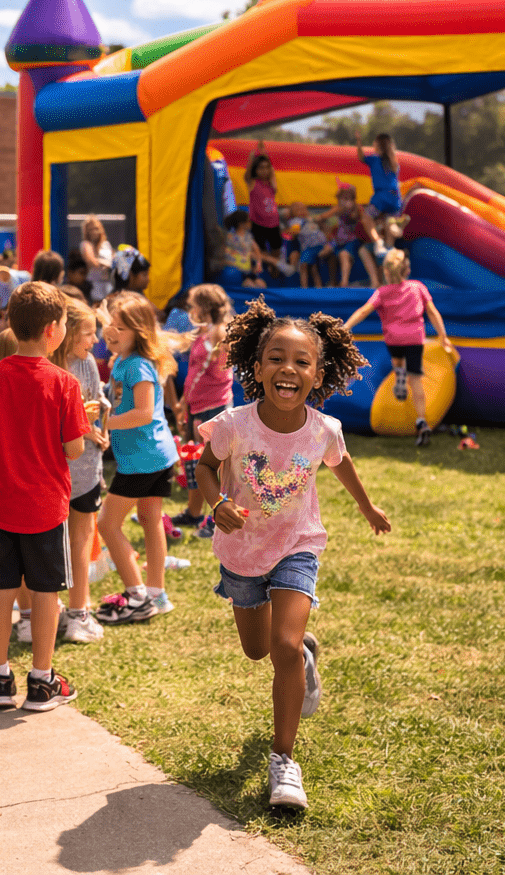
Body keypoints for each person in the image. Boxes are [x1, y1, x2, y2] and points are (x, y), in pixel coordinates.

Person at [195, 299, 390, 809]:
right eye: (277, 359)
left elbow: (341, 463)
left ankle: (284, 762)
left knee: (281, 645)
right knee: (258, 650)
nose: (289, 369)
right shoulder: (234, 424)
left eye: (302, 361)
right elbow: (205, 467)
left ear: (318, 375)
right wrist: (217, 503)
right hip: (242, 551)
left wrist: (367, 507)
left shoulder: (324, 429)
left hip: (296, 545)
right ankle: (304, 653)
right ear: (257, 369)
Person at [0, 281, 88, 711]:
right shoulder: (65, 383)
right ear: (53, 330)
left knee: (0, 590)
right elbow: (74, 448)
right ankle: (42, 680)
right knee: (45, 592)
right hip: (45, 508)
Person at [94, 292, 180, 625]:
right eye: (111, 326)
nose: (112, 332)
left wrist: (104, 423)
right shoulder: (123, 360)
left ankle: (137, 596)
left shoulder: (138, 366)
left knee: (106, 524)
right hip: (154, 454)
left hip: (144, 458)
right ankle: (157, 594)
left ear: (140, 332)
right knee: (150, 520)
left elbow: (143, 413)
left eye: (121, 328)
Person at [344, 249, 453, 447]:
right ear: (407, 270)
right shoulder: (417, 287)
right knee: (416, 380)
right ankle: (421, 422)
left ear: (386, 272)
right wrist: (443, 337)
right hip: (414, 339)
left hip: (394, 339)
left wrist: (346, 327)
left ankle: (399, 372)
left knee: (397, 360)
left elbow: (363, 311)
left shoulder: (382, 292)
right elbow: (433, 313)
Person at [50, 298, 108, 643]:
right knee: (52, 542)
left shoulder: (86, 363)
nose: (95, 340)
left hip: (85, 467)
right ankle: (51, 609)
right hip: (55, 468)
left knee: (83, 537)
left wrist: (100, 423)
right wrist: (82, 422)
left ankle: (78, 610)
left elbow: (98, 400)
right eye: (88, 333)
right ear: (68, 332)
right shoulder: (48, 367)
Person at [171, 284, 234, 533]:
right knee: (195, 463)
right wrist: (183, 401)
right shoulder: (204, 331)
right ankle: (194, 513)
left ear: (204, 307)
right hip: (197, 405)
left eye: (193, 305)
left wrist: (217, 351)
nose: (190, 309)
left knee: (213, 466)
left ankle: (219, 518)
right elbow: (193, 367)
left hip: (213, 408)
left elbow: (220, 372)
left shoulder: (219, 333)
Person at [317, 182, 380, 289]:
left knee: (344, 254)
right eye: (343, 198)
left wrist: (347, 211)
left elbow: (357, 217)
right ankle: (332, 282)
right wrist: (319, 220)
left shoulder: (357, 208)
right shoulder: (337, 208)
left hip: (352, 240)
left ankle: (344, 281)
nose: (345, 200)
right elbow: (323, 217)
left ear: (353, 199)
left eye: (348, 198)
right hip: (338, 240)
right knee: (327, 253)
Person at [355, 132, 402, 257]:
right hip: (395, 198)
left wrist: (359, 142)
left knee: (366, 218)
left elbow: (361, 157)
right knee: (388, 223)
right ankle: (390, 247)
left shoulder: (375, 159)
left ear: (377, 145)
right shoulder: (394, 163)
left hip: (381, 197)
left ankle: (378, 242)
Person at [244, 141, 285, 258]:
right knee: (261, 250)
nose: (264, 170)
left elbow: (271, 170)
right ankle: (269, 264)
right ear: (255, 169)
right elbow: (247, 175)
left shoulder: (272, 184)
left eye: (266, 168)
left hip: (274, 222)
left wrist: (264, 154)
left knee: (276, 248)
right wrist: (251, 160)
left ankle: (274, 266)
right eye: (261, 168)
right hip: (258, 224)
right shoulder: (253, 183)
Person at [289, 202, 332, 289]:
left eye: (303, 209)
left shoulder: (311, 218)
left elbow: (322, 228)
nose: (302, 211)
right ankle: (304, 287)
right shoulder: (295, 221)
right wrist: (298, 227)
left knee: (314, 268)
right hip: (309, 247)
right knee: (305, 266)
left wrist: (319, 221)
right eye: (298, 210)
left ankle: (319, 287)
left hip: (320, 245)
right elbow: (294, 232)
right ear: (293, 213)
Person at [222, 209, 267, 288]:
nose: (251, 223)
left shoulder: (248, 237)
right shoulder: (230, 237)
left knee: (262, 284)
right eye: (249, 221)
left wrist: (259, 264)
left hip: (248, 269)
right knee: (249, 284)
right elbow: (225, 252)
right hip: (238, 270)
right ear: (241, 224)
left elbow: (257, 251)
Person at [79, 216, 114, 303]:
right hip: (94, 285)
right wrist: (107, 264)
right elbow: (92, 262)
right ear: (86, 231)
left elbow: (113, 260)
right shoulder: (85, 244)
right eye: (91, 229)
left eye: (96, 228)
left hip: (108, 284)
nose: (94, 231)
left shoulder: (106, 244)